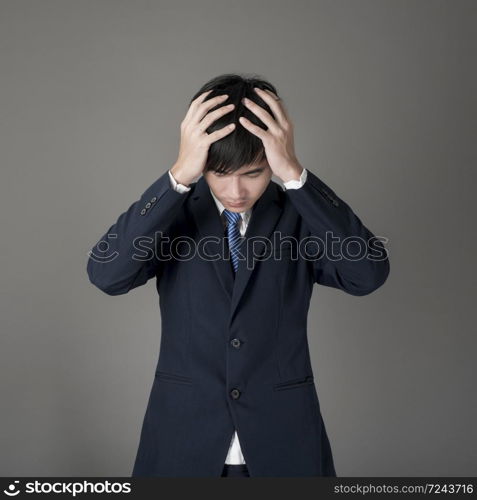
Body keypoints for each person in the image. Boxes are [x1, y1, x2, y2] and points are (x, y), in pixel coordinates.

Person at [86, 73, 390, 477]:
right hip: (182, 444)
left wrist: (296, 174)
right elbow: (107, 274)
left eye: (254, 173)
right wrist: (178, 175)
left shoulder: (298, 217)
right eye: (219, 173)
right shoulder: (172, 215)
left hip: (285, 446)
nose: (236, 192)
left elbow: (367, 274)